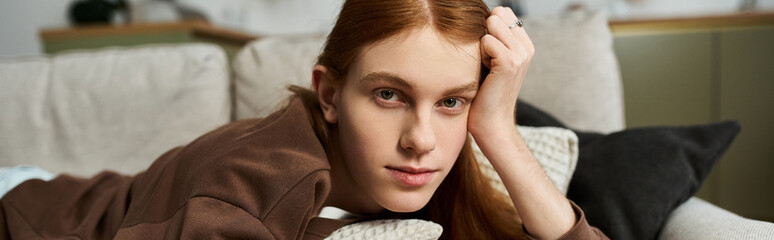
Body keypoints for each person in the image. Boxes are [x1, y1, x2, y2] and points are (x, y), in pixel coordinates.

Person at [0, 0, 608, 239]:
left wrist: (496, 131)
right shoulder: (250, 183)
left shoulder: (443, 171)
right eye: (390, 95)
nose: (423, 139)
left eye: (452, 101)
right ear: (329, 95)